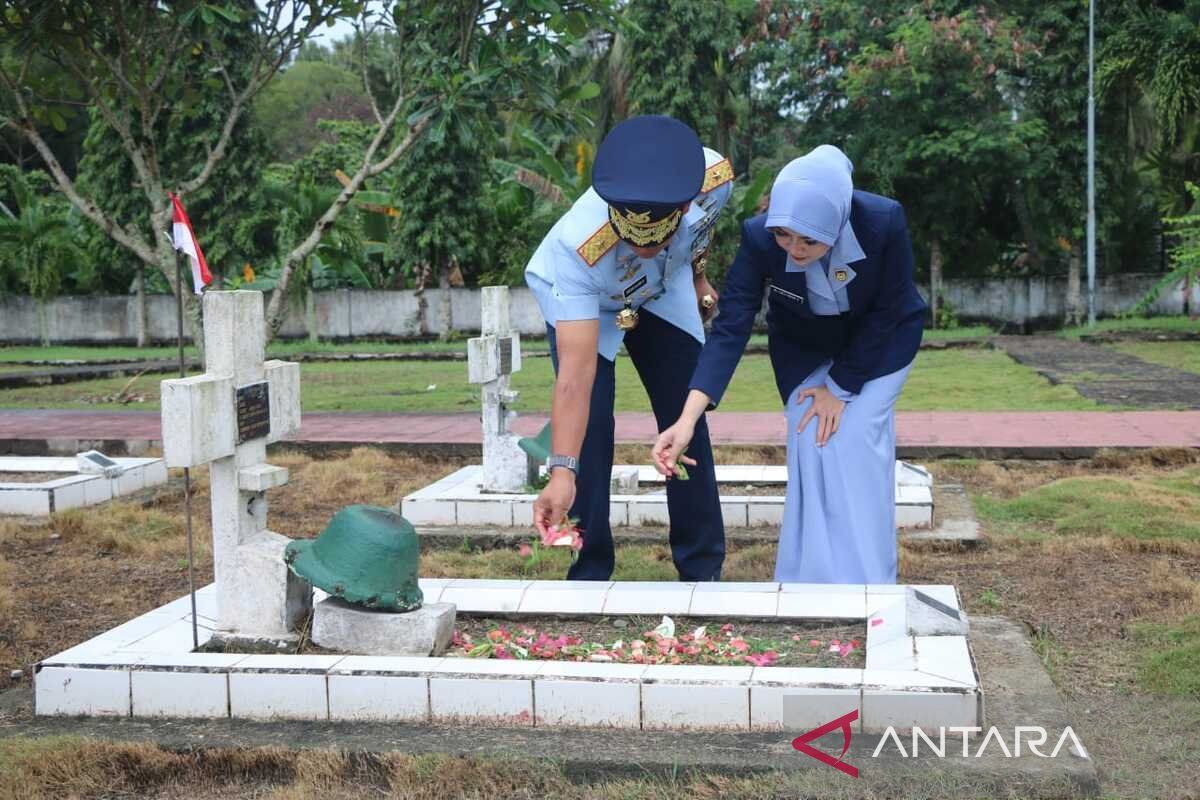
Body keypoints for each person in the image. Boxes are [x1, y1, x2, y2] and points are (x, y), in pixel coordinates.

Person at [652, 145, 926, 584]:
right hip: (805, 349)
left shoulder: (883, 221)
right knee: (810, 436)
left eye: (809, 240)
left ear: (836, 222)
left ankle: (871, 579)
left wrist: (839, 388)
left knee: (853, 438)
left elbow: (888, 312)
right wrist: (687, 420)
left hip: (883, 343)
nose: (794, 249)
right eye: (784, 235)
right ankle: (810, 578)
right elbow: (731, 328)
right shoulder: (759, 237)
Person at [525, 115, 734, 581]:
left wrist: (698, 278)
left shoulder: (713, 179)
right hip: (591, 304)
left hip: (662, 291)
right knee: (590, 431)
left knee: (686, 417)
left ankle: (702, 566)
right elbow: (575, 379)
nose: (643, 245)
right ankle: (590, 567)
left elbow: (699, 236)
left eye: (656, 237)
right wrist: (561, 471)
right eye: (632, 237)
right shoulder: (577, 246)